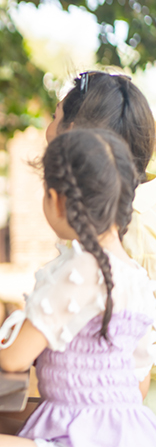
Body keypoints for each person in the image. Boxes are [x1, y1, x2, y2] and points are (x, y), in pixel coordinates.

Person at [0, 129, 156, 446]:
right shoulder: (138, 278)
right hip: (124, 432)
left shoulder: (78, 270)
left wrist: (10, 335)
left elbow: (13, 360)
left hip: (77, 435)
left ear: (56, 200)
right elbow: (139, 379)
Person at [45, 70, 156, 413]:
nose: (47, 129)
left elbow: (139, 367)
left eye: (54, 117)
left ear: (74, 135)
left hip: (116, 415)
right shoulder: (108, 224)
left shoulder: (130, 237)